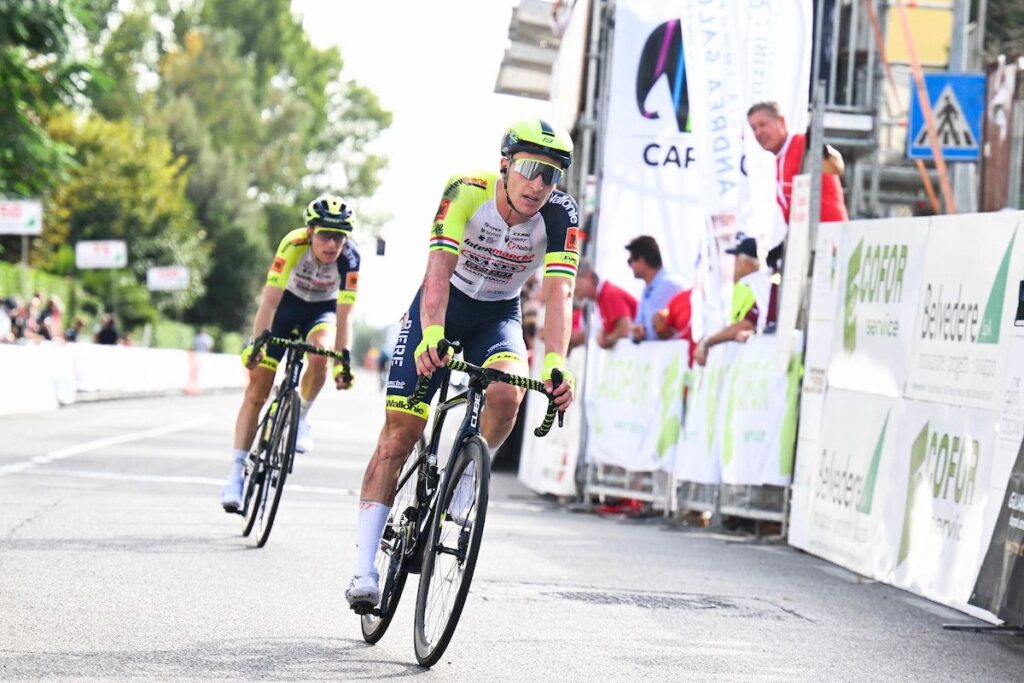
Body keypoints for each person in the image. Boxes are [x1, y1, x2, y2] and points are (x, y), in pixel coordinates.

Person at [344, 118, 579, 611]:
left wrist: (555, 362)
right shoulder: (466, 190)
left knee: (507, 393)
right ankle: (364, 568)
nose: (539, 184)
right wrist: (432, 334)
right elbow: (437, 271)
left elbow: (560, 294)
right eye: (531, 169)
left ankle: (468, 473)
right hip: (443, 306)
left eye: (551, 174)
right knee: (399, 435)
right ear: (506, 165)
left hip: (498, 314)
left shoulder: (561, 214)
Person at [219, 195, 359, 512]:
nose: (332, 243)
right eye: (325, 234)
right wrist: (257, 343)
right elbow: (268, 302)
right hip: (284, 310)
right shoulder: (292, 244)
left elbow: (345, 315)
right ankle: (235, 474)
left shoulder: (351, 259)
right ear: (310, 232)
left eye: (339, 236)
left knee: (321, 355)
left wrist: (344, 361)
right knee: (257, 391)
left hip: (319, 312)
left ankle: (303, 415)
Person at [747, 101, 849, 270]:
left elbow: (837, 166)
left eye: (763, 125)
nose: (758, 132)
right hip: (809, 248)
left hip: (830, 243)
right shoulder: (779, 160)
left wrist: (822, 150)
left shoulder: (802, 144)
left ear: (781, 122)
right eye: (754, 128)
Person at [693, 233, 772, 366]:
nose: (734, 264)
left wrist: (709, 341)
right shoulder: (741, 286)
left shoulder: (757, 286)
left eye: (737, 259)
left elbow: (748, 323)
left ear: (747, 263)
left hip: (752, 361)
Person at [625, 235, 684, 343]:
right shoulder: (648, 289)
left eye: (630, 260)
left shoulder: (668, 285)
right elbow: (639, 325)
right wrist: (637, 333)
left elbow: (657, 332)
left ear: (642, 260)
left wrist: (641, 333)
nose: (630, 265)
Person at [574, 258, 638, 349]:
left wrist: (607, 340)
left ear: (587, 277)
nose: (571, 288)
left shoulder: (608, 294)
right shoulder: (599, 299)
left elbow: (625, 329)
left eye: (572, 281)